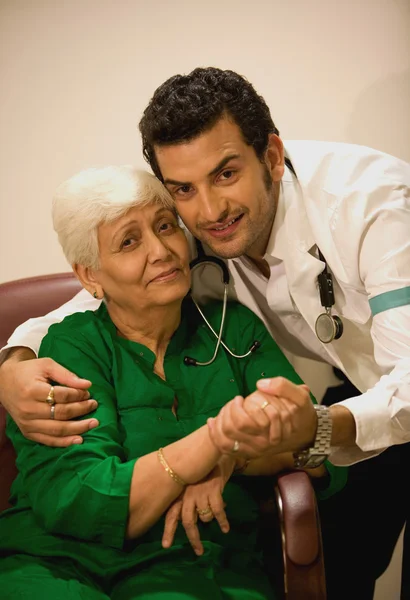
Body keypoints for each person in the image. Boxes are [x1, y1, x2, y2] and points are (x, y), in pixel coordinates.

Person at [0, 67, 409, 597]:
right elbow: (103, 290)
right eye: (183, 191)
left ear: (272, 156)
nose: (209, 212)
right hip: (61, 566)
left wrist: (245, 445)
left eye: (225, 174)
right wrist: (12, 363)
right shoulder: (189, 232)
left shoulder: (373, 206)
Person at [0, 165, 345, 599]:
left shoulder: (234, 330)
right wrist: (213, 442)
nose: (161, 250)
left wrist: (233, 458)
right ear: (90, 275)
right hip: (58, 564)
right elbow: (80, 499)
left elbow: (321, 443)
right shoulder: (72, 346)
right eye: (129, 241)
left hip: (195, 563)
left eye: (166, 227)